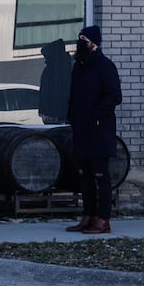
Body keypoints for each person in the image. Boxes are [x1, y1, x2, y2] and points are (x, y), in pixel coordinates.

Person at [64, 25, 122, 235]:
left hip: (99, 129)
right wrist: (72, 116)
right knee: (84, 175)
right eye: (79, 39)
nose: (81, 43)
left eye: (84, 40)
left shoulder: (105, 66)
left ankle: (103, 219)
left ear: (94, 44)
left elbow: (115, 96)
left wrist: (95, 115)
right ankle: (88, 215)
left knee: (100, 175)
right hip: (81, 129)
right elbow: (75, 94)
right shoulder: (79, 66)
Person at [37, 38, 72, 124]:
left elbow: (44, 93)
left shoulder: (50, 70)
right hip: (63, 114)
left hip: (56, 114)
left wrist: (43, 111)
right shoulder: (70, 67)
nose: (45, 58)